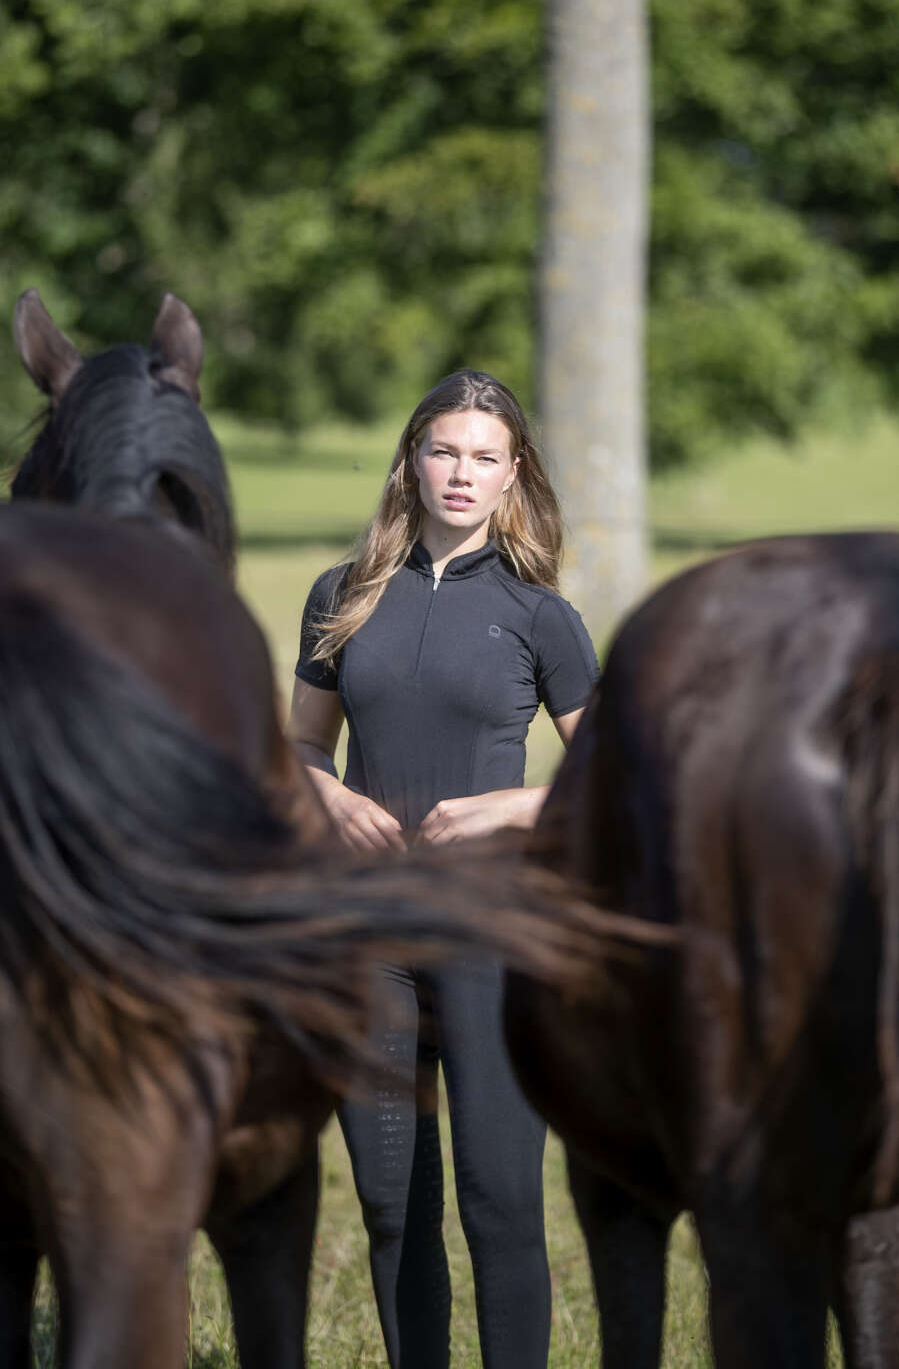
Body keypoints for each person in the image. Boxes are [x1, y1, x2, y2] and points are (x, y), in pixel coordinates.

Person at [287, 369, 599, 1369]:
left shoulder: (539, 616)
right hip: (366, 937)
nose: (461, 473)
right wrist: (330, 797)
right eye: (444, 451)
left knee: (499, 1204)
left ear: (513, 475)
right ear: (412, 461)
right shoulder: (341, 595)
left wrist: (504, 807)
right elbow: (300, 747)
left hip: (487, 938)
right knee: (388, 1205)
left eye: (483, 457)